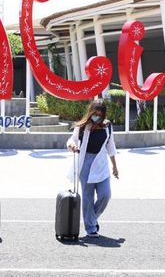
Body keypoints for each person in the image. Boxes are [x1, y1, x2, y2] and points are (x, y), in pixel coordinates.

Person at [66, 99, 118, 238]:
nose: (97, 117)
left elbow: (111, 146)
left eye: (100, 115)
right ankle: (91, 228)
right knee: (88, 197)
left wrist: (115, 166)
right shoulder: (83, 126)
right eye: (95, 114)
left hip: (101, 163)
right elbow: (72, 139)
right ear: (91, 113)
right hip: (86, 163)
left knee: (105, 195)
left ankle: (92, 219)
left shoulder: (107, 126)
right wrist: (72, 146)